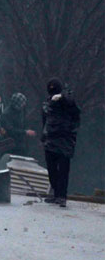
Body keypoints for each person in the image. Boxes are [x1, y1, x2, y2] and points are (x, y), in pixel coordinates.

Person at [41, 78, 80, 207]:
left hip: (63, 140)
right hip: (54, 140)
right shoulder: (48, 103)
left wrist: (63, 99)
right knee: (53, 169)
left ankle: (61, 196)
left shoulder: (66, 102)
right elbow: (44, 121)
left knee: (62, 170)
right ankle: (57, 194)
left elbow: (75, 112)